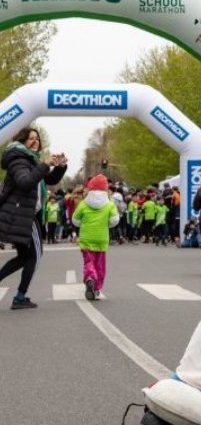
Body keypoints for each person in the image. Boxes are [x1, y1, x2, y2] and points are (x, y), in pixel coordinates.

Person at [0, 127, 67, 309]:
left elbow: (47, 180)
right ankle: (20, 297)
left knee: (24, 257)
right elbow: (25, 182)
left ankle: (20, 297)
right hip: (23, 214)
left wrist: (60, 167)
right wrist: (44, 165)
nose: (35, 142)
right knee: (35, 256)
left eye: (37, 139)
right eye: (30, 139)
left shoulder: (30, 159)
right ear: (21, 141)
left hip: (25, 213)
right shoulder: (18, 159)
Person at [72, 174, 119, 300]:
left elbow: (75, 221)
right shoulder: (109, 204)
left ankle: (89, 277)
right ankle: (97, 288)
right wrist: (106, 224)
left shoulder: (83, 204)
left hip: (86, 238)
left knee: (89, 261)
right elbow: (115, 220)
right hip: (102, 238)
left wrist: (83, 222)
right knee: (100, 264)